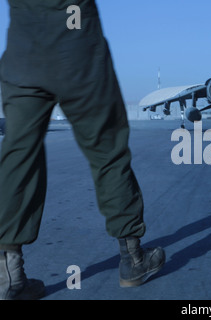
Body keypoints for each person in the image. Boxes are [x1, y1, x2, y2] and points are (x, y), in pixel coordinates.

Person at [0, 0, 165, 300]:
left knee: (18, 155)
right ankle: (133, 260)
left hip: (24, 44)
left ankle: (8, 276)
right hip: (76, 36)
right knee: (107, 150)